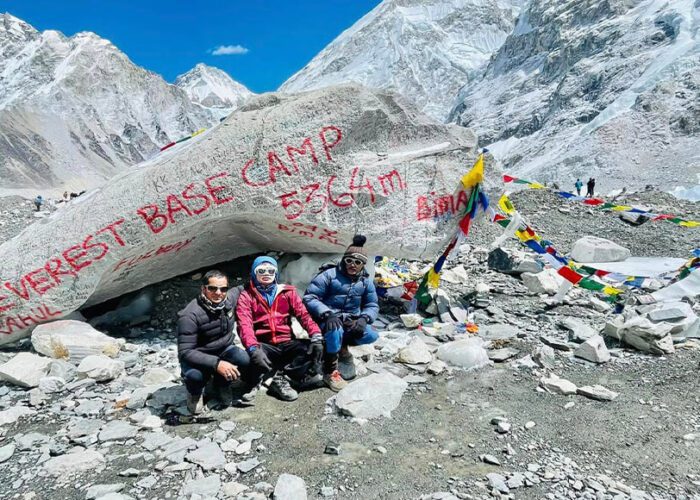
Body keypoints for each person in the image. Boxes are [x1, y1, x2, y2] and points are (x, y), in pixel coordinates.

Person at [236, 256, 323, 402]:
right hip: (264, 344)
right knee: (249, 359)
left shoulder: (287, 292)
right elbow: (244, 324)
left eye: (271, 270)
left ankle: (282, 377)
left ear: (275, 273)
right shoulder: (247, 296)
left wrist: (315, 334)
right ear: (253, 273)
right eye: (261, 270)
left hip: (286, 341)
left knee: (313, 348)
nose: (266, 274)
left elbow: (304, 315)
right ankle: (259, 381)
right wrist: (252, 347)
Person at [303, 235, 379, 392]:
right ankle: (330, 370)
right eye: (349, 260)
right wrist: (326, 313)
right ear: (344, 260)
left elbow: (372, 304)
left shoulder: (365, 281)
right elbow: (310, 297)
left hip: (350, 319)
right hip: (327, 318)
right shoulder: (329, 275)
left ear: (363, 265)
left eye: (358, 262)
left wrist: (364, 318)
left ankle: (342, 348)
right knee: (334, 330)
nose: (353, 265)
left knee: (370, 335)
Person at [177, 270, 253, 415]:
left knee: (244, 359)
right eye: (212, 288)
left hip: (223, 348)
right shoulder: (189, 315)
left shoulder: (229, 299)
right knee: (195, 376)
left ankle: (221, 384)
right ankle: (194, 393)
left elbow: (242, 287)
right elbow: (185, 352)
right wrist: (217, 364)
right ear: (203, 288)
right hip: (198, 355)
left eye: (223, 289)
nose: (218, 293)